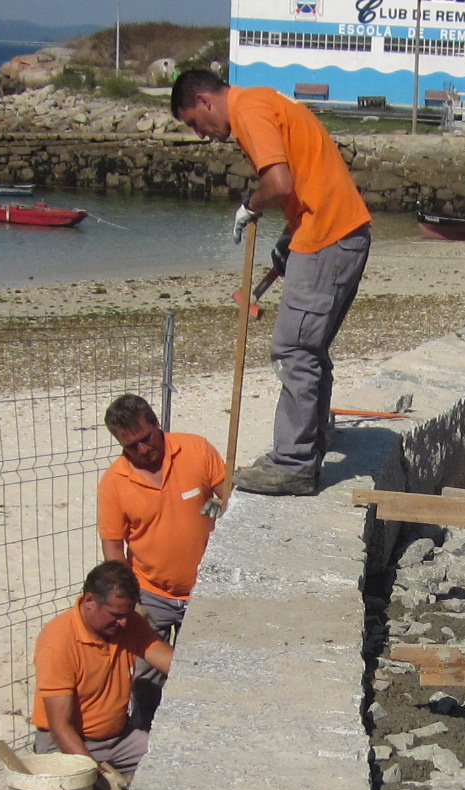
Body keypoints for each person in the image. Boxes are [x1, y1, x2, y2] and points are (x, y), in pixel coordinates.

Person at [171, 68, 372, 496]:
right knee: (310, 348)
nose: (201, 134)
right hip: (334, 232)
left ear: (205, 101)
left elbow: (278, 183)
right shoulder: (264, 101)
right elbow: (307, 178)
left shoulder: (248, 109)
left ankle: (293, 463)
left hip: (328, 238)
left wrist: (250, 204)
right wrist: (288, 237)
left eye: (193, 123)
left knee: (294, 350)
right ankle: (314, 440)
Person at [98, 392, 226, 725]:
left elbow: (230, 497)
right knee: (146, 679)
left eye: (145, 439)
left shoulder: (195, 449)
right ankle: (145, 737)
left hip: (207, 590)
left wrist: (218, 506)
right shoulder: (114, 483)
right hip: (151, 594)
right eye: (130, 446)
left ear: (157, 425)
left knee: (201, 673)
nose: (141, 450)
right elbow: (113, 547)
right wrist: (128, 601)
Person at [32, 562, 175, 790]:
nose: (123, 623)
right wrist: (100, 775)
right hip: (67, 745)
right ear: (89, 601)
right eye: (115, 615)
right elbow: (60, 727)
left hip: (119, 739)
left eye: (128, 614)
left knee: (171, 766)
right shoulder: (58, 642)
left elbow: (171, 663)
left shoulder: (129, 623)